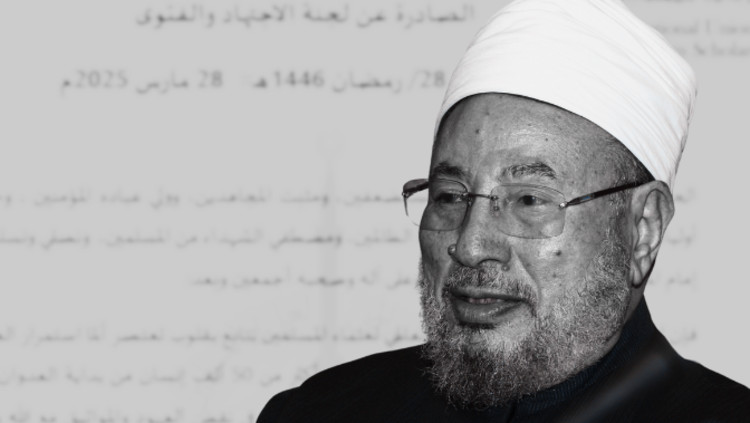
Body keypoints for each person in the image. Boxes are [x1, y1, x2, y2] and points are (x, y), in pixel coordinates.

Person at [258, 0, 750, 421]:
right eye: (450, 196)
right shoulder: (321, 411)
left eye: (529, 200)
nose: (470, 246)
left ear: (643, 229)